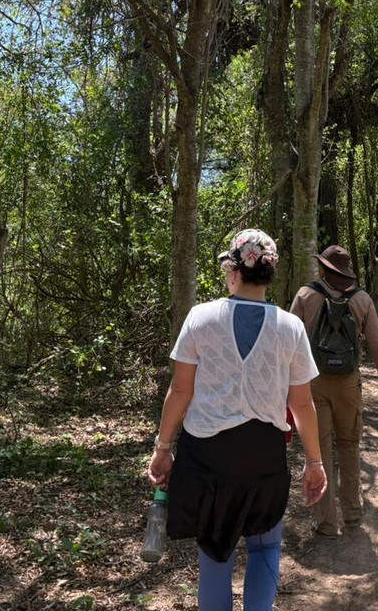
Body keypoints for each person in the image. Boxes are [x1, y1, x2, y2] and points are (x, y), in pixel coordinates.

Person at [146, 229, 327, 611]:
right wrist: (315, 462)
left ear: (233, 271)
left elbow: (180, 391)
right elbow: (303, 404)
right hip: (264, 454)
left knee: (214, 551)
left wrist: (163, 447)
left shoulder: (201, 317)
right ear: (269, 274)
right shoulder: (290, 327)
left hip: (208, 454)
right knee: (266, 544)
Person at [289, 245, 378, 537]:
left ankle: (325, 522)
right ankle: (352, 513)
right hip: (349, 383)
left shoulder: (306, 295)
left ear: (323, 268)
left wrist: (284, 382)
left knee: (319, 450)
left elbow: (287, 339)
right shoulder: (361, 299)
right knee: (349, 445)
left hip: (314, 383)